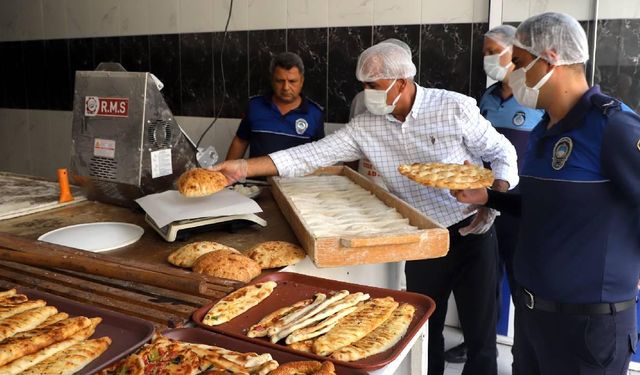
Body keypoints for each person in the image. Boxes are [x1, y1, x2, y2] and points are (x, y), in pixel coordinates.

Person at [213, 41, 519, 375]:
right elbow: (310, 155)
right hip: (422, 240)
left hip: (473, 231)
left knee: (481, 335)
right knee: (425, 330)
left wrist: (492, 196)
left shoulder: (452, 108)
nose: (366, 93)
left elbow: (503, 153)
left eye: (372, 86)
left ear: (400, 81)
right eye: (364, 85)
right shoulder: (368, 125)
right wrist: (242, 168)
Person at [452, 12, 640, 374]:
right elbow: (543, 203)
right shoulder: (545, 127)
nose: (514, 72)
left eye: (520, 62)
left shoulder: (613, 127)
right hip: (533, 315)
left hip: (588, 328)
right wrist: (488, 197)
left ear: (551, 57)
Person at [444, 24, 545, 365]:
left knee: (521, 282)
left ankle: (522, 354)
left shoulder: (536, 96)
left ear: (514, 54)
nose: (487, 58)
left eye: (493, 52)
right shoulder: (486, 98)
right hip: (484, 201)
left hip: (520, 205)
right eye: (485, 52)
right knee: (485, 284)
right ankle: (477, 344)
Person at [225, 52, 324, 160]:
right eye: (280, 81)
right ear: (272, 80)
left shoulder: (315, 114)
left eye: (292, 81)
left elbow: (319, 156)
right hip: (256, 177)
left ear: (301, 81)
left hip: (297, 177)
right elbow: (240, 141)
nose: (286, 87)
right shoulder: (255, 107)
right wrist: (225, 176)